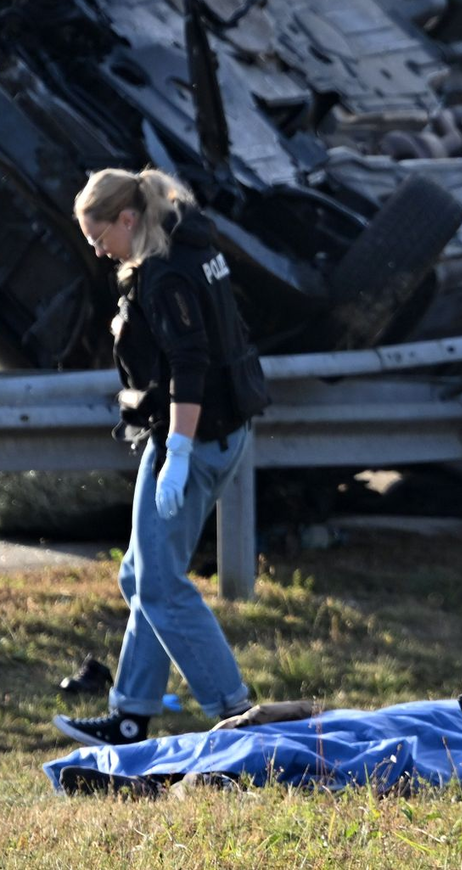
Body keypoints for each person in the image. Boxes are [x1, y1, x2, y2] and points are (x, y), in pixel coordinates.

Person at [54, 167, 268, 747]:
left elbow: (190, 362)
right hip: (213, 429)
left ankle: (235, 712)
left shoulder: (165, 274)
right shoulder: (191, 242)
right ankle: (130, 715)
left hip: (193, 436)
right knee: (140, 575)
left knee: (161, 586)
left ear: (127, 218)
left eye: (100, 239)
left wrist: (177, 451)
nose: (97, 252)